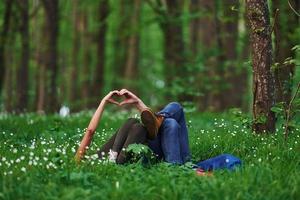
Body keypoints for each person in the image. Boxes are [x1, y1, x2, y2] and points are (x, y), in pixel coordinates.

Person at [75, 89, 191, 165]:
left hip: (134, 153)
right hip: (130, 158)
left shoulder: (92, 160)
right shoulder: (82, 162)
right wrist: (103, 101)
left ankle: (158, 120)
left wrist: (138, 102)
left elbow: (90, 132)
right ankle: (176, 167)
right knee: (175, 109)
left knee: (169, 121)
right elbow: (90, 132)